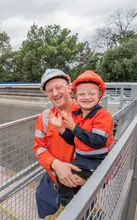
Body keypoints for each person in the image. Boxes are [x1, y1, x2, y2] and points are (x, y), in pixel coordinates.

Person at [48, 70, 114, 209]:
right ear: (75, 96)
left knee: (66, 179)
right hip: (83, 160)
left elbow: (98, 141)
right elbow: (74, 140)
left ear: (100, 95)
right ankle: (80, 209)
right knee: (66, 178)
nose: (86, 97)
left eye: (92, 93)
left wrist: (73, 127)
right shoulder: (76, 115)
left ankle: (68, 209)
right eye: (82, 93)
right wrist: (62, 129)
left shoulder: (103, 116)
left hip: (98, 161)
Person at [34, 69, 86, 220]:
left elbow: (108, 158)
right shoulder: (44, 118)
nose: (55, 93)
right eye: (50, 90)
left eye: (59, 87)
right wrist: (56, 164)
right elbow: (38, 147)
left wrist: (87, 180)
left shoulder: (89, 116)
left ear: (69, 87)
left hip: (78, 191)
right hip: (49, 186)